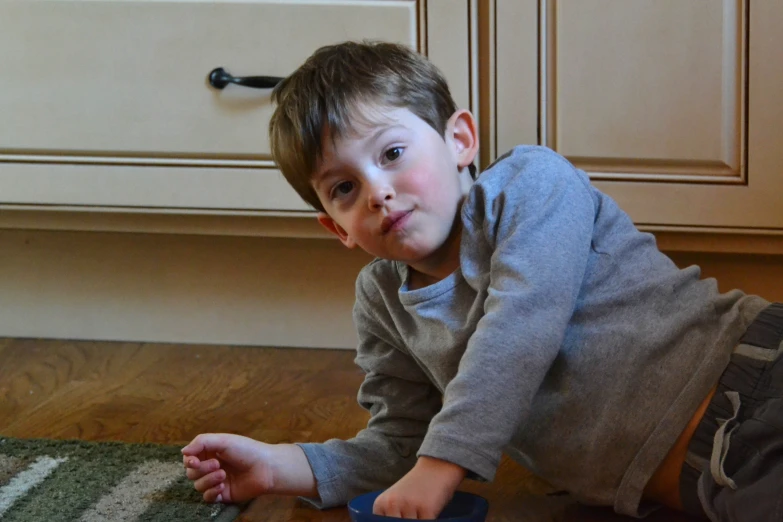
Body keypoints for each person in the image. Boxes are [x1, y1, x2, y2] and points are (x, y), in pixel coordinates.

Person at [182, 41, 782, 521]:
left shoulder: (532, 185)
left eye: (391, 153)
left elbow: (522, 326)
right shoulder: (382, 299)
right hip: (709, 484)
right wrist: (283, 467)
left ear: (460, 140)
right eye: (344, 188)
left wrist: (441, 467)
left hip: (755, 390)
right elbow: (403, 442)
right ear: (334, 227)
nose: (377, 192)